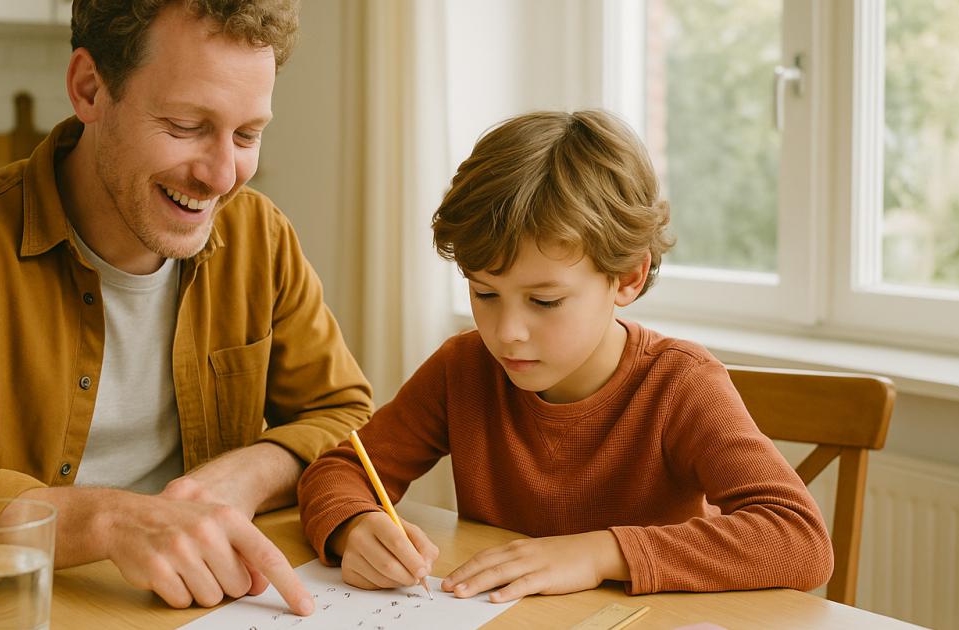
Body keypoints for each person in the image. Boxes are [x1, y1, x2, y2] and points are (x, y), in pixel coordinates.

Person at [0, 0, 373, 616]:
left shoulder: (261, 237)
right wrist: (110, 521)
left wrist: (250, 472)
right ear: (90, 88)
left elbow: (345, 417)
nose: (220, 175)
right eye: (185, 125)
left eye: (246, 135)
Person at [297, 110, 833, 602]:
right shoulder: (463, 369)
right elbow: (343, 470)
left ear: (627, 278)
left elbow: (799, 539)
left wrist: (601, 552)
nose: (507, 334)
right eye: (484, 293)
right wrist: (354, 525)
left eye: (544, 301)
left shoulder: (680, 384)